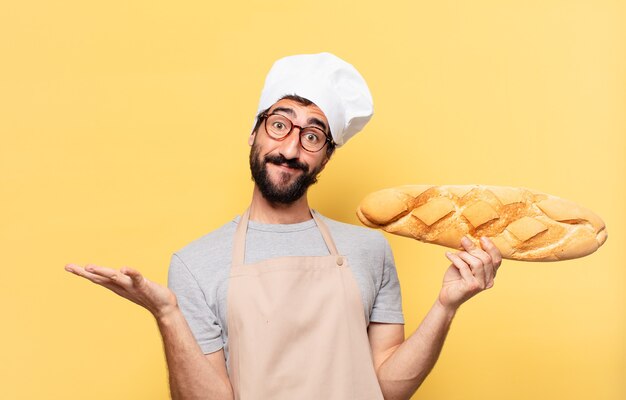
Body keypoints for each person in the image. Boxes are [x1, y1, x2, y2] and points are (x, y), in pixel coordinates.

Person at [65, 52, 502, 400]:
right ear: (254, 133)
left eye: (312, 136)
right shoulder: (195, 263)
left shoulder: (369, 250)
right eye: (279, 125)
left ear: (325, 157)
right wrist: (166, 314)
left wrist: (446, 306)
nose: (291, 148)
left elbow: (386, 388)